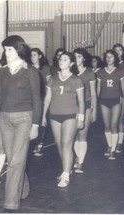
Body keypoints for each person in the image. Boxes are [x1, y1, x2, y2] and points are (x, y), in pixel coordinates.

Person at [0, 35, 41, 212]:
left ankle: (10, 202)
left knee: (16, 162)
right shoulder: (2, 71)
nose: (6, 52)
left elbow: (37, 99)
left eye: (9, 49)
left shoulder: (31, 71)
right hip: (5, 119)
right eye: (5, 49)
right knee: (13, 160)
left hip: (24, 118)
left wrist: (35, 124)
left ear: (19, 50)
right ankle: (23, 189)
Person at [42, 52, 85, 187]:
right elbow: (47, 98)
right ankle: (67, 168)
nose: (61, 61)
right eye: (60, 59)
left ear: (71, 63)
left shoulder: (76, 80)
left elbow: (82, 101)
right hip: (54, 115)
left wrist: (81, 118)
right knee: (60, 144)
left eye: (65, 59)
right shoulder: (53, 79)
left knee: (67, 144)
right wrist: (43, 115)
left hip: (70, 115)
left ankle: (65, 174)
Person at [97, 50, 124, 160]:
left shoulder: (120, 71)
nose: (108, 58)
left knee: (114, 125)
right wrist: (96, 101)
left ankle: (113, 150)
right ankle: (110, 146)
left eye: (111, 56)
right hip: (104, 101)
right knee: (106, 126)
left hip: (116, 100)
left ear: (115, 58)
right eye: (107, 56)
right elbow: (98, 88)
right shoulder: (100, 72)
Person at [73, 48, 97, 173]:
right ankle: (78, 156)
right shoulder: (71, 72)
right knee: (74, 135)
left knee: (82, 133)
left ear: (83, 58)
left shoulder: (89, 73)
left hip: (86, 105)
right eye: (75, 56)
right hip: (72, 107)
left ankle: (80, 162)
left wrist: (94, 110)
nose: (76, 59)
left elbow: (93, 93)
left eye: (79, 56)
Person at [30, 48, 51, 156]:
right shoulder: (29, 68)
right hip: (31, 98)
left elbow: (50, 83)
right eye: (31, 55)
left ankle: (40, 144)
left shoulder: (45, 68)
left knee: (41, 119)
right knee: (33, 120)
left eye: (34, 55)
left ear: (39, 56)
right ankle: (33, 142)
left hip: (42, 97)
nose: (32, 57)